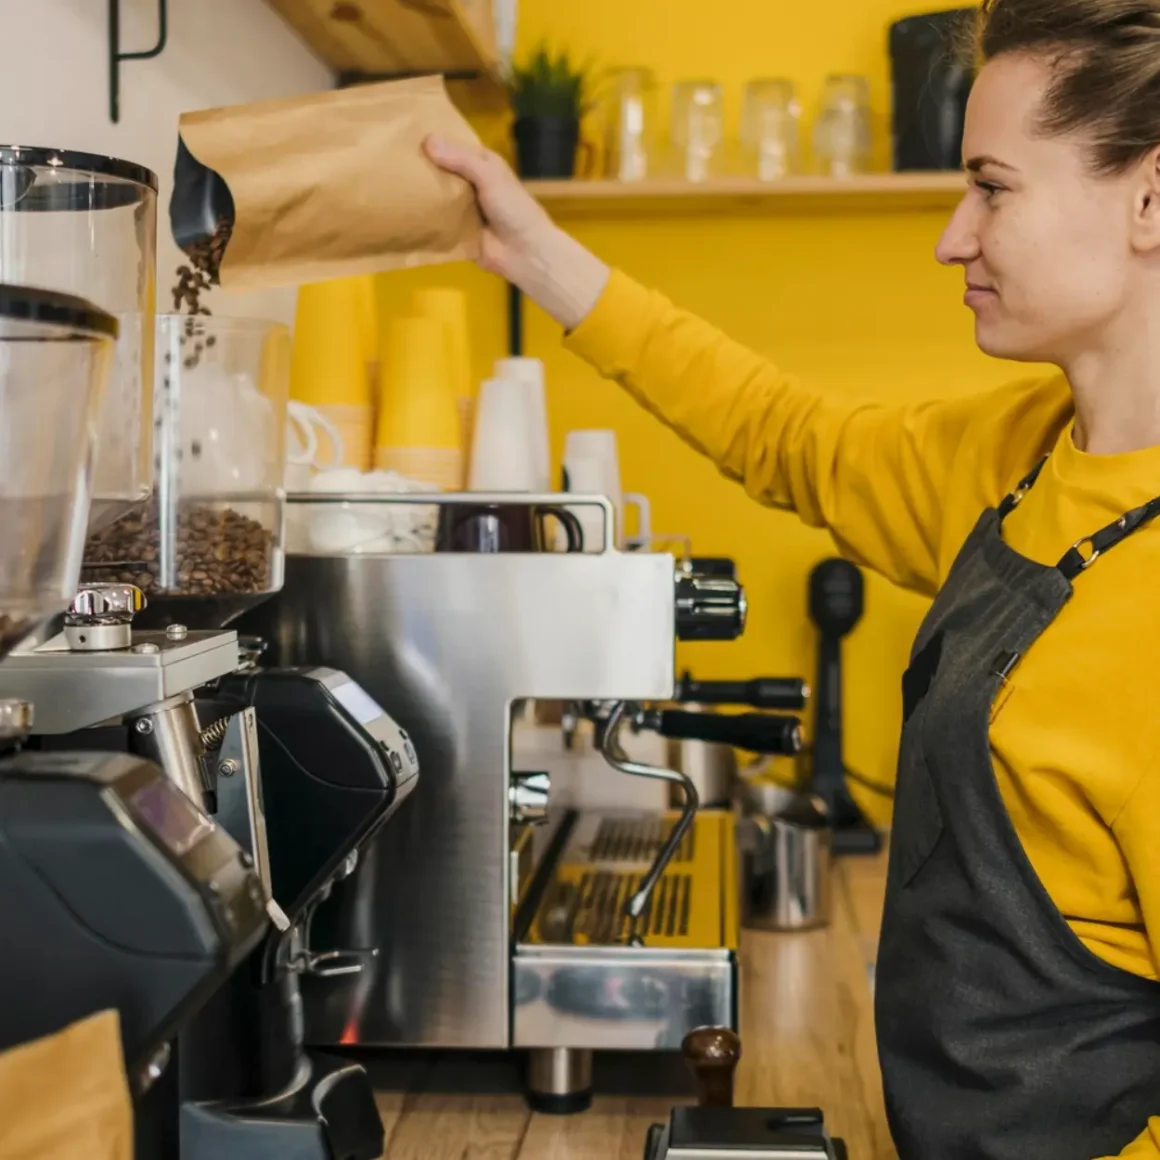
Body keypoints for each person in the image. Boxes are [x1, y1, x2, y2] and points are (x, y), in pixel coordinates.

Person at [427, 0, 1160, 1156]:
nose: (950, 237)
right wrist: (533, 253)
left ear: (1148, 199)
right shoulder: (1021, 454)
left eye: (992, 186)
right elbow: (783, 434)